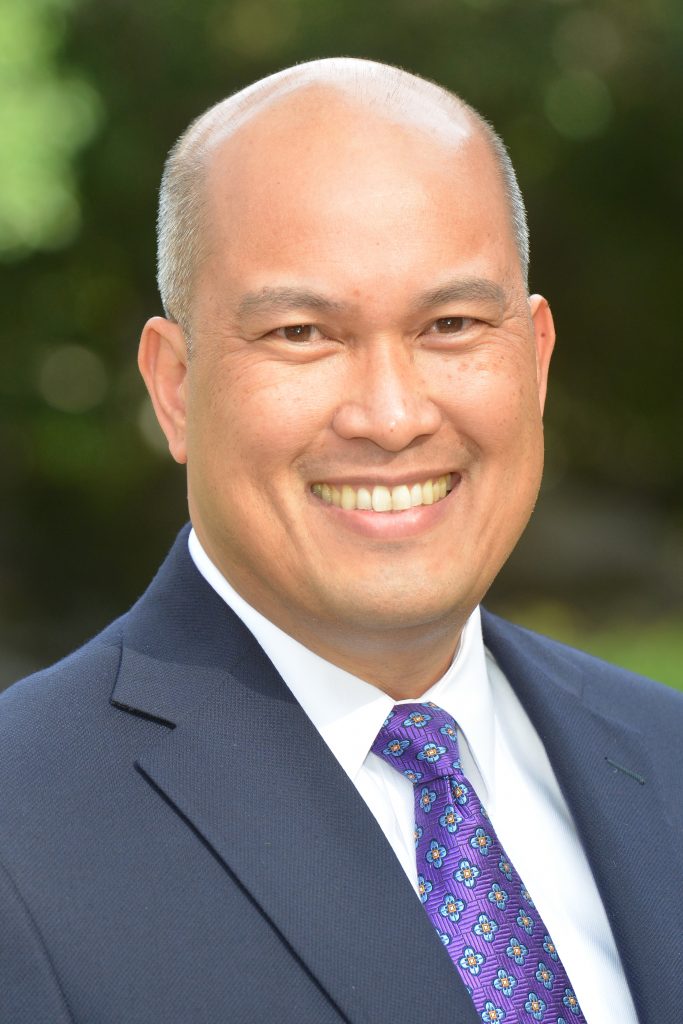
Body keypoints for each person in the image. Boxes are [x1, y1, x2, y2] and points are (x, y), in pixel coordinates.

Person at [0, 57, 680, 1024]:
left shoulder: (665, 754)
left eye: (450, 324)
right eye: (301, 334)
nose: (391, 416)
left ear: (534, 361)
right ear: (175, 387)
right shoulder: (22, 835)